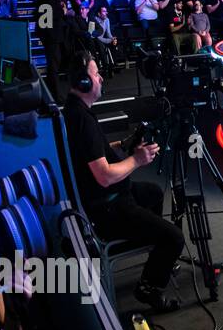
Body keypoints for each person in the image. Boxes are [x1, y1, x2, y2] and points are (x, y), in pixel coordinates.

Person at [62, 52, 183, 312]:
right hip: (107, 208)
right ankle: (149, 287)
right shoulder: (83, 120)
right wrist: (137, 160)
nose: (101, 77)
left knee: (151, 193)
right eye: (96, 74)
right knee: (174, 237)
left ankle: (155, 258)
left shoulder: (75, 110)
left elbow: (94, 155)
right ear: (84, 83)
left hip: (102, 198)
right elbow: (104, 176)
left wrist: (122, 146)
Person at [33, 0, 70, 102]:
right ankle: (55, 96)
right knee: (53, 65)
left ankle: (51, 94)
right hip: (51, 34)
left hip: (49, 33)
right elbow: (47, 13)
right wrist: (62, 11)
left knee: (53, 64)